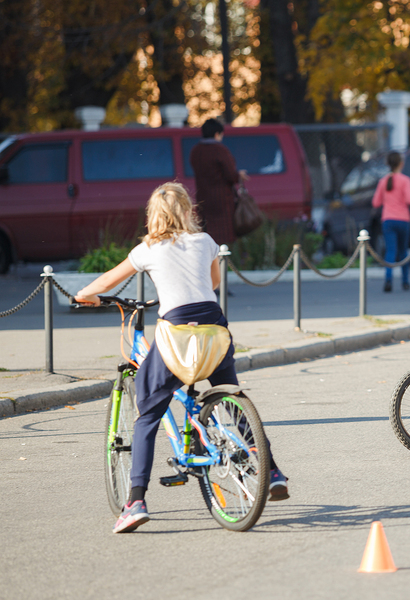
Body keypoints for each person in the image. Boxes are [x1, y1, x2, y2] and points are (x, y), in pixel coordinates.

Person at [74, 182, 288, 534]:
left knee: (148, 414)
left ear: (152, 217)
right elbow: (213, 284)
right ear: (190, 211)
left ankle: (135, 502)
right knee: (230, 396)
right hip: (214, 329)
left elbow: (108, 280)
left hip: (176, 333)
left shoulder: (148, 249)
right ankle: (273, 472)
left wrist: (86, 295)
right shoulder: (205, 243)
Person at [189, 118, 248, 245]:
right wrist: (239, 175)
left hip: (203, 198)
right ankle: (224, 262)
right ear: (217, 134)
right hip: (221, 200)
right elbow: (231, 175)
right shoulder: (220, 150)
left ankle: (211, 262)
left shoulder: (196, 150)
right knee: (224, 236)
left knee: (207, 234)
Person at [372, 151, 410, 292]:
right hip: (403, 219)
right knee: (403, 251)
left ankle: (388, 280)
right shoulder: (405, 180)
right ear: (401, 164)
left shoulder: (383, 181)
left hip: (388, 220)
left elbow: (376, 202)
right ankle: (405, 281)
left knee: (390, 251)